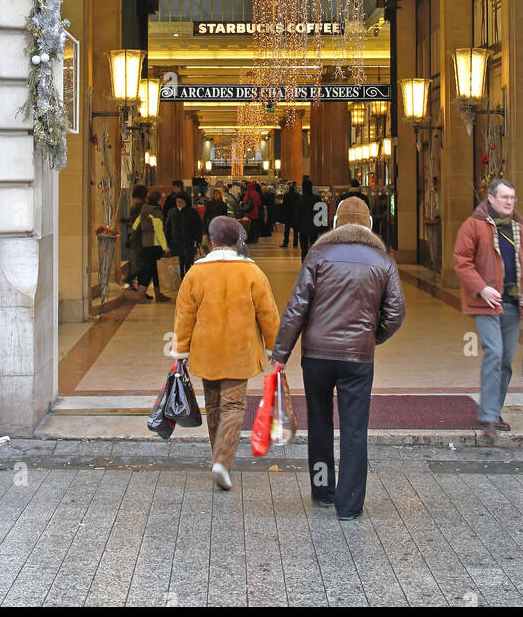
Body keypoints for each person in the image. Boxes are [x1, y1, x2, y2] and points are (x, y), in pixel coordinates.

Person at [272, 196, 405, 520]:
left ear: (335, 223)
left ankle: (323, 490)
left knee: (319, 423)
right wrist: (371, 338)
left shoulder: (318, 255)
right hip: (357, 358)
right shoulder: (383, 261)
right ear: (369, 224)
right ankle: (349, 505)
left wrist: (280, 354)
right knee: (355, 430)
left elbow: (297, 308)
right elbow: (396, 311)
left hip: (316, 355)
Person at [173, 216, 280, 491]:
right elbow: (268, 313)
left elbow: (184, 315)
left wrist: (181, 351)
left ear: (211, 241)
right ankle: (222, 460)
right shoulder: (252, 272)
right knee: (233, 405)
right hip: (239, 351)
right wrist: (275, 346)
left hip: (206, 351)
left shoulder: (196, 273)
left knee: (213, 404)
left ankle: (216, 457)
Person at [453, 177, 523, 445]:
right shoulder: (473, 226)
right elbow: (462, 261)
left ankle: (495, 410)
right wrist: (481, 288)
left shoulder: (522, 228)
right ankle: (489, 417)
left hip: (513, 303)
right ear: (490, 199)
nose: (509, 202)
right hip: (486, 303)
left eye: (512, 198)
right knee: (494, 352)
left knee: (505, 361)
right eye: (504, 197)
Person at [133, 187, 170, 303]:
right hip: (155, 245)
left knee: (153, 270)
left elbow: (135, 226)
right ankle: (141, 295)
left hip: (145, 244)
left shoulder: (144, 210)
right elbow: (158, 230)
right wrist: (165, 246)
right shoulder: (155, 211)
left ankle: (158, 294)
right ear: (158, 200)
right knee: (150, 270)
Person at [166, 189, 202, 281]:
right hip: (175, 243)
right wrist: (167, 242)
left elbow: (198, 227)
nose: (178, 203)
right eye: (177, 201)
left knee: (188, 263)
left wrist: (198, 240)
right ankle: (181, 282)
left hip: (189, 243)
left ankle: (189, 282)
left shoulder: (192, 212)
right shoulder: (172, 212)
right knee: (178, 265)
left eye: (180, 201)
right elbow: (168, 228)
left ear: (185, 201)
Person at [295, 174, 329, 260]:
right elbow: (322, 212)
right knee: (314, 245)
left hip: (303, 227)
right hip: (314, 226)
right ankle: (313, 263)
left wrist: (297, 225)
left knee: (304, 247)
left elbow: (298, 214)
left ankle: (304, 261)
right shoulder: (316, 198)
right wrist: (323, 226)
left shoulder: (300, 199)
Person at [124, 182, 148, 292]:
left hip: (136, 238)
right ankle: (129, 280)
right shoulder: (141, 207)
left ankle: (141, 290)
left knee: (141, 265)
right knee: (143, 266)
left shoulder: (135, 206)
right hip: (140, 239)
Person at [280, 181, 299, 249]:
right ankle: (295, 243)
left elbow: (284, 205)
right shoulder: (297, 195)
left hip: (288, 214)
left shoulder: (286, 195)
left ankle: (285, 243)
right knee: (296, 230)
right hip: (295, 215)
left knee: (287, 230)